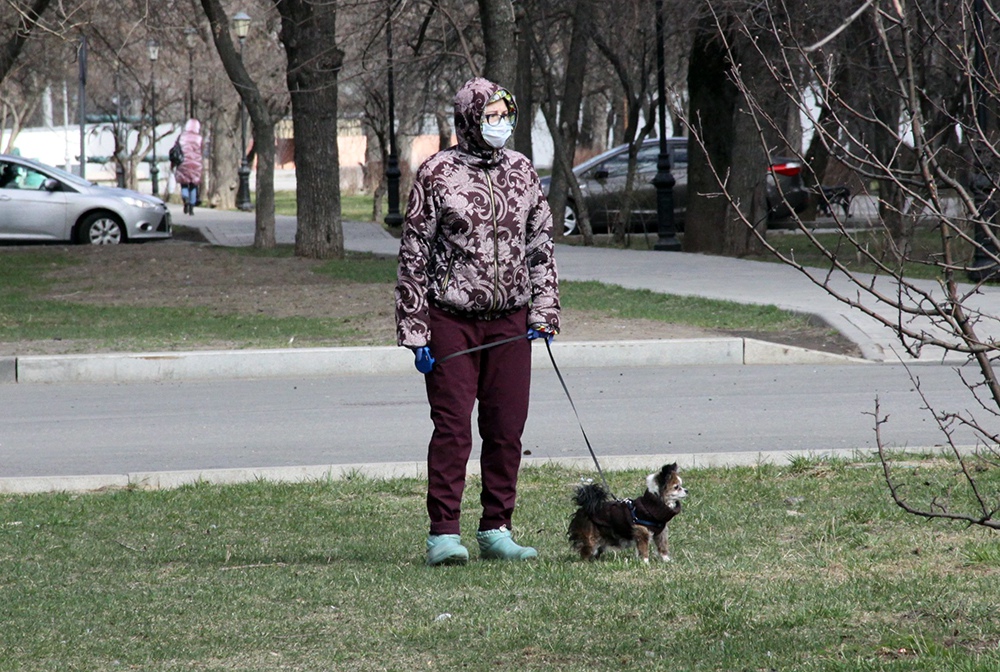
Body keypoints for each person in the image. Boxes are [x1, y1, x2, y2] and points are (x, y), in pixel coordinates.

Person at [395, 77, 560, 566]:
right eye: (491, 117)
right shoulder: (436, 173)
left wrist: (544, 311)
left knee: (506, 427)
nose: (500, 125)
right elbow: (413, 255)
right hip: (451, 321)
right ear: (469, 119)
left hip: (511, 321)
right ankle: (444, 533)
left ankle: (497, 528)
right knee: (453, 430)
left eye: (506, 116)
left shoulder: (522, 172)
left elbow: (541, 246)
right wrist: (415, 329)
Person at [174, 118, 203, 215]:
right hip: (196, 164)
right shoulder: (199, 138)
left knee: (184, 183)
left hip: (183, 162)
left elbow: (175, 148)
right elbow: (202, 150)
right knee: (193, 184)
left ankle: (185, 198)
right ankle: (191, 206)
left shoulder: (181, 137)